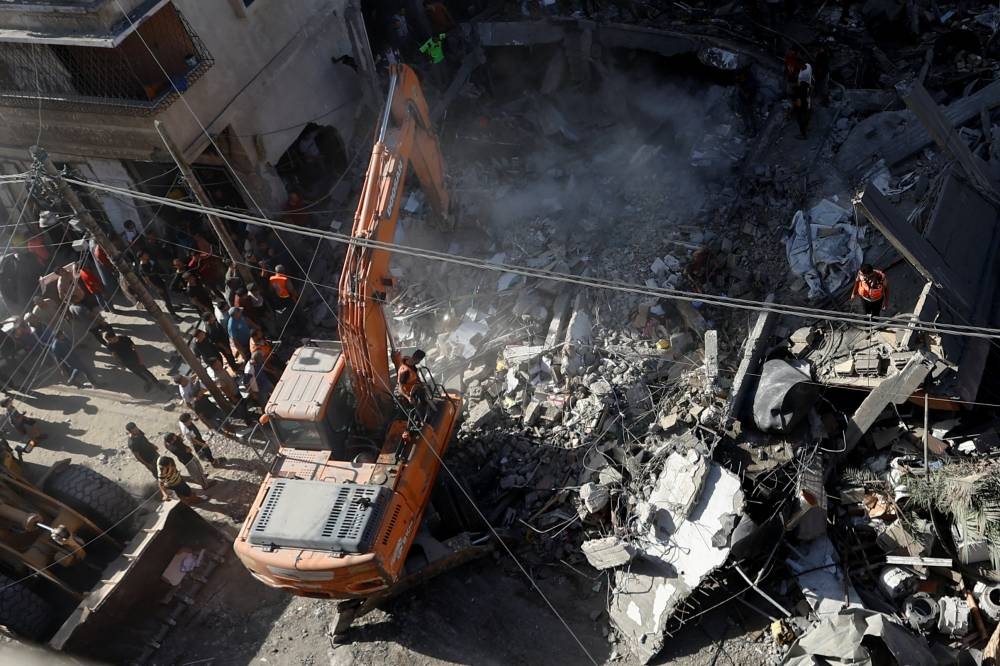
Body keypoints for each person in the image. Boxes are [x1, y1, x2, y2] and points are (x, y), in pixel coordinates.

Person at [137, 251, 179, 319]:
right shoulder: (142, 268)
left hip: (160, 280)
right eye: (145, 254)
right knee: (166, 299)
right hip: (156, 284)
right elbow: (147, 281)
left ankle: (172, 307)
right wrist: (156, 288)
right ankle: (173, 314)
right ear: (141, 257)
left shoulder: (148, 261)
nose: (147, 254)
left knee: (167, 296)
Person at [391, 349, 431, 420]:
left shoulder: (412, 366)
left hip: (410, 390)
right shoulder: (405, 371)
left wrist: (421, 384)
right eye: (420, 360)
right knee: (407, 414)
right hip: (402, 395)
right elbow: (400, 389)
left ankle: (426, 409)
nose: (420, 362)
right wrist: (408, 397)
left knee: (422, 390)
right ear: (418, 359)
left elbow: (415, 377)